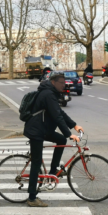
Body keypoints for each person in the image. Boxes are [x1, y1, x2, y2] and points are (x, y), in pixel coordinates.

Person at [23, 72, 83, 207]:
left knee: (61, 140)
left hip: (43, 129)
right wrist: (69, 134)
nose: (64, 85)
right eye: (61, 83)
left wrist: (74, 125)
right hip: (36, 131)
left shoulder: (50, 93)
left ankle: (53, 171)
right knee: (36, 163)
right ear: (53, 83)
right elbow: (57, 116)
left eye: (64, 83)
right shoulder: (48, 94)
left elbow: (60, 112)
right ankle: (32, 198)